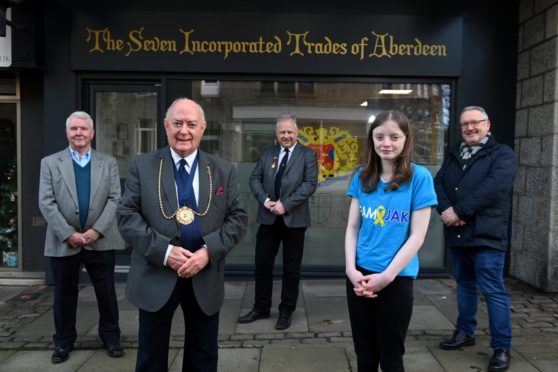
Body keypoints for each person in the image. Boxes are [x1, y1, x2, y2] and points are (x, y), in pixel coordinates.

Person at [117, 98, 247, 372]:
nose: (184, 131)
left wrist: (207, 253)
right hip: (156, 273)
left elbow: (238, 219)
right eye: (177, 123)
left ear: (203, 128)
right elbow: (127, 216)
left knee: (203, 355)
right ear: (166, 126)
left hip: (204, 273)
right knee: (151, 356)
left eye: (191, 124)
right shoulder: (143, 165)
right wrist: (165, 253)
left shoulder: (223, 170)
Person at [344, 111, 437, 371]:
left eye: (395, 137)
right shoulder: (362, 176)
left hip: (396, 277)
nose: (387, 143)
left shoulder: (420, 178)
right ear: (371, 140)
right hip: (359, 275)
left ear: (406, 139)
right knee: (364, 356)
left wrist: (386, 277)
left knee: (391, 358)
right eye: (380, 136)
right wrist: (350, 269)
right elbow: (352, 227)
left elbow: (417, 236)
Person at [435, 106, 517, 372]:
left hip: (486, 236)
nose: (469, 128)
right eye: (464, 125)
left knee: (493, 290)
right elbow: (439, 184)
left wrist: (459, 210)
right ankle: (465, 332)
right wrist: (446, 211)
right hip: (459, 233)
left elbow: (493, 188)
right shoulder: (454, 153)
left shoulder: (502, 154)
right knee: (465, 286)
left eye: (474, 123)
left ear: (487, 124)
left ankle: (501, 346)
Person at [38, 111, 123, 364]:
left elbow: (115, 198)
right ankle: (63, 341)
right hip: (63, 240)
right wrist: (68, 233)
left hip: (101, 238)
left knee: (106, 292)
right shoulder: (50, 163)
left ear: (92, 133)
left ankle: (111, 337)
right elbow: (46, 202)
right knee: (64, 294)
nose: (79, 133)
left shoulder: (108, 162)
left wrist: (96, 230)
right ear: (67, 133)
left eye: (83, 129)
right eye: (74, 128)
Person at [238, 113, 318, 330]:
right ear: (276, 133)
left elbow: (310, 184)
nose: (286, 136)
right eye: (282, 132)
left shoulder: (308, 155)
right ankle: (261, 308)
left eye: (290, 132)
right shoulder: (267, 153)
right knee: (262, 265)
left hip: (294, 220)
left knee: (291, 269)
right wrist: (265, 201)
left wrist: (286, 204)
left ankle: (286, 311)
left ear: (297, 133)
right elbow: (255, 178)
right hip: (268, 218)